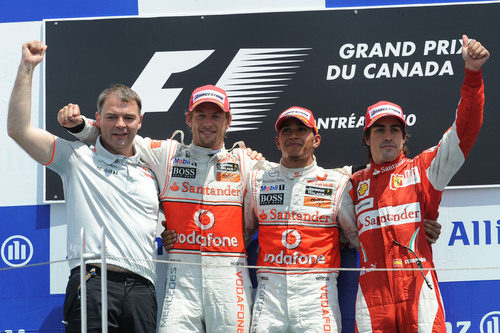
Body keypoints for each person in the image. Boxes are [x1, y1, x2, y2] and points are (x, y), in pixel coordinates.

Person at [58, 84, 266, 332]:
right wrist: (79, 124)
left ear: (228, 120)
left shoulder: (248, 162)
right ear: (189, 118)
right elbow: (118, 134)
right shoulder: (167, 154)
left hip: (230, 278)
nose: (207, 122)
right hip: (182, 279)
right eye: (200, 115)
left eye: (216, 116)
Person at [7, 41, 159, 332]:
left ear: (140, 122)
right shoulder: (75, 158)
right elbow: (18, 130)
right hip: (93, 282)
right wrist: (27, 67)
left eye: (128, 118)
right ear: (98, 120)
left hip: (144, 287)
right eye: (112, 117)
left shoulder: (153, 168)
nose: (120, 125)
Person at [346, 34, 489, 332]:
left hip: (417, 287)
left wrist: (473, 76)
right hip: (372, 293)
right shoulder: (350, 183)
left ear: (403, 136)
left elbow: (464, 131)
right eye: (379, 129)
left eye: (395, 130)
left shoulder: (423, 169)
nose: (388, 135)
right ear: (366, 137)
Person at [244, 106, 358, 332]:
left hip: (317, 294)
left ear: (316, 139)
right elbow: (242, 234)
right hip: (270, 293)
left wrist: (415, 229)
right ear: (277, 141)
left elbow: (358, 237)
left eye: (301, 129)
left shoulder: (336, 183)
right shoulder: (258, 180)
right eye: (286, 130)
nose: (293, 135)